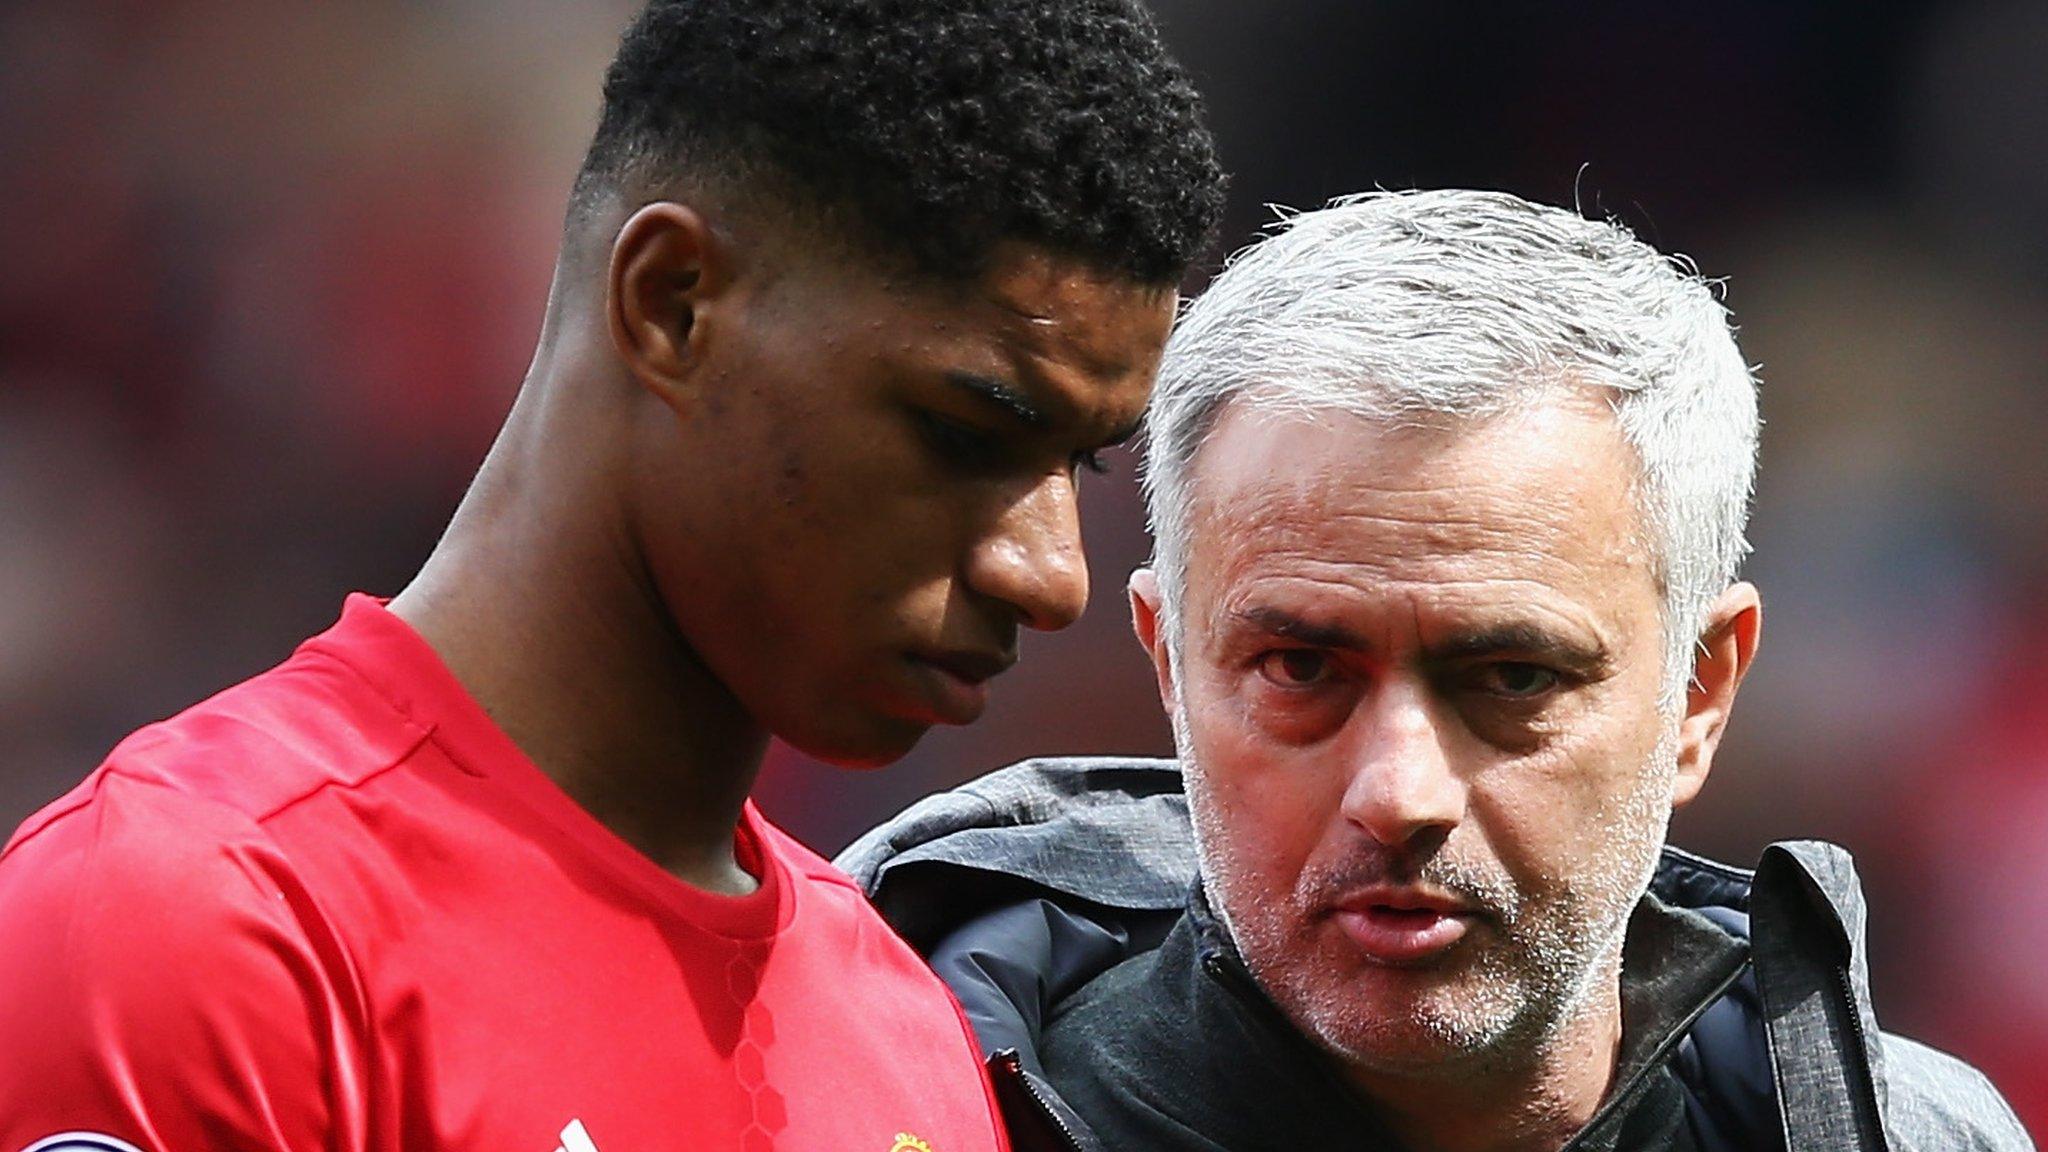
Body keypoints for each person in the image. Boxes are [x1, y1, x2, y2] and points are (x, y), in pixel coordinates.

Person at [0, 2, 1223, 1149]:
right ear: (672, 304)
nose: (1050, 576)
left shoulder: (915, 1042)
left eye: (1080, 467)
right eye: (965, 436)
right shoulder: (198, 927)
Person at [840, 190, 2033, 1151]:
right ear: (1169, 666)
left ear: (1698, 693)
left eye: (1509, 677)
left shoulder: (1923, 1139)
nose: (1397, 793)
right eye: (1300, 667)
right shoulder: (868, 1114)